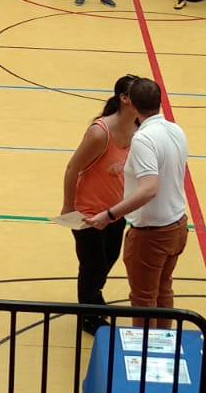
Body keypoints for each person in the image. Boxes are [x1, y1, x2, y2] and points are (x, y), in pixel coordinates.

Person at [85, 78, 187, 328]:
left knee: (143, 299)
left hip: (152, 233)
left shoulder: (143, 139)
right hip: (177, 224)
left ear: (131, 103)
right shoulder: (175, 130)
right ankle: (164, 344)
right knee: (163, 291)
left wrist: (109, 215)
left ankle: (143, 349)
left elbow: (149, 188)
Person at [61, 76, 137, 332]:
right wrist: (68, 207)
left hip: (116, 210)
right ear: (124, 99)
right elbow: (73, 168)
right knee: (92, 266)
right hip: (88, 212)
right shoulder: (100, 133)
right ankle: (88, 314)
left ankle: (94, 296)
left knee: (109, 258)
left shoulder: (138, 128)